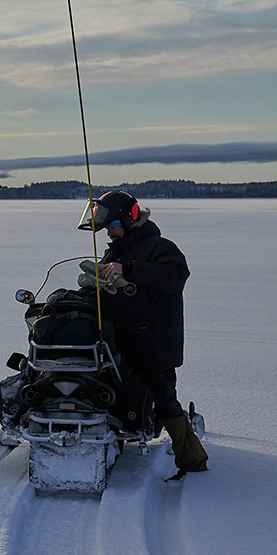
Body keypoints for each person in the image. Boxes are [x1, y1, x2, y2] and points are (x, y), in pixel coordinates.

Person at [81, 190, 208, 476]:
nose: (110, 233)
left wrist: (128, 269)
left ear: (129, 219)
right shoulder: (118, 249)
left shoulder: (159, 247)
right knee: (118, 391)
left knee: (164, 399)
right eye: (107, 228)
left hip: (155, 342)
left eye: (113, 226)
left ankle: (193, 460)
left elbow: (175, 276)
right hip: (122, 338)